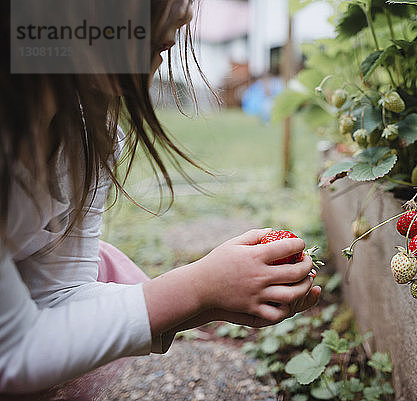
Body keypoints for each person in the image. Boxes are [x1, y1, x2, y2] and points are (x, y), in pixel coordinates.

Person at [0, 0, 321, 398]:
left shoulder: (91, 135)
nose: (186, 15)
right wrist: (199, 287)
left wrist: (214, 300)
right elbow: (9, 354)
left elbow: (58, 298)